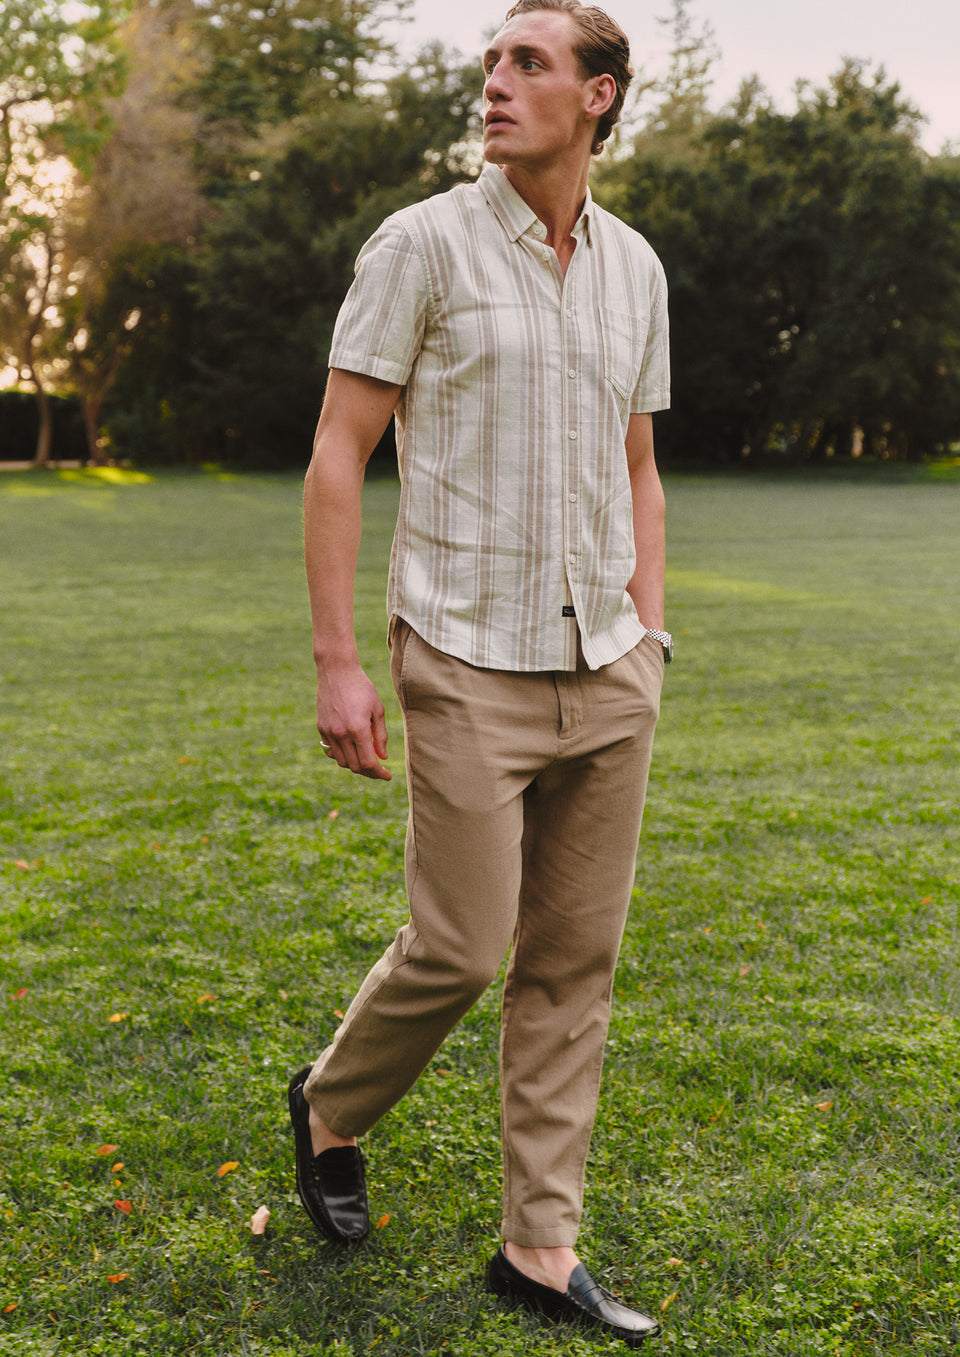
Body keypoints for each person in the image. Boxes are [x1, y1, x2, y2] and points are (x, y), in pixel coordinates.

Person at [288, 0, 671, 1345]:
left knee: (575, 958)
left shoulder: (635, 267)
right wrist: (343, 661)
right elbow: (341, 450)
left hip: (608, 665)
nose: (497, 83)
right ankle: (333, 1105)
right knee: (458, 943)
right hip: (460, 650)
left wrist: (653, 627)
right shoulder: (422, 245)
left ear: (601, 97)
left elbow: (637, 462)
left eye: (530, 63)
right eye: (491, 63)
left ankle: (538, 1241)